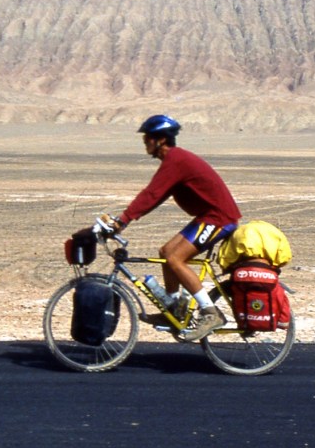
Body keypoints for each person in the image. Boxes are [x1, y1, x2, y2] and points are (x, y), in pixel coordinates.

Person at [103, 114, 241, 341]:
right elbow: (156, 197)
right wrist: (126, 219)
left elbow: (151, 194)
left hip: (219, 218)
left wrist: (123, 220)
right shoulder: (174, 161)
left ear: (161, 140)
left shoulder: (176, 160)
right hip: (207, 217)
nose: (144, 142)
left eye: (148, 138)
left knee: (175, 259)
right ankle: (175, 309)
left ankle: (210, 312)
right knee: (166, 252)